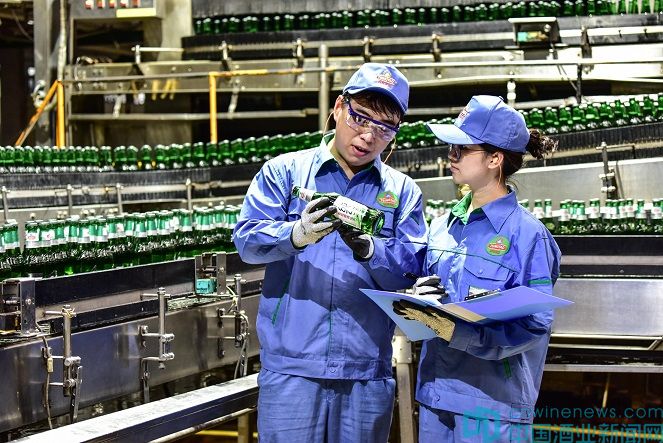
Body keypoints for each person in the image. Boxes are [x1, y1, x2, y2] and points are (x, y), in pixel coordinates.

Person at [233, 63, 427, 442]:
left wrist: (373, 250)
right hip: (293, 369)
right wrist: (294, 235)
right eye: (360, 117)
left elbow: (411, 270)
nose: (368, 135)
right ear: (339, 107)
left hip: (365, 373)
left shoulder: (403, 193)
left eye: (385, 128)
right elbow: (247, 242)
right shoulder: (285, 173)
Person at [394, 95, 561, 442]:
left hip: (492, 405)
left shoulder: (527, 235)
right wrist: (419, 301)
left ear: (495, 159)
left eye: (461, 149)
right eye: (450, 148)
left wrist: (460, 333)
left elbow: (535, 324)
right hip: (435, 395)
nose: (451, 156)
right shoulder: (442, 226)